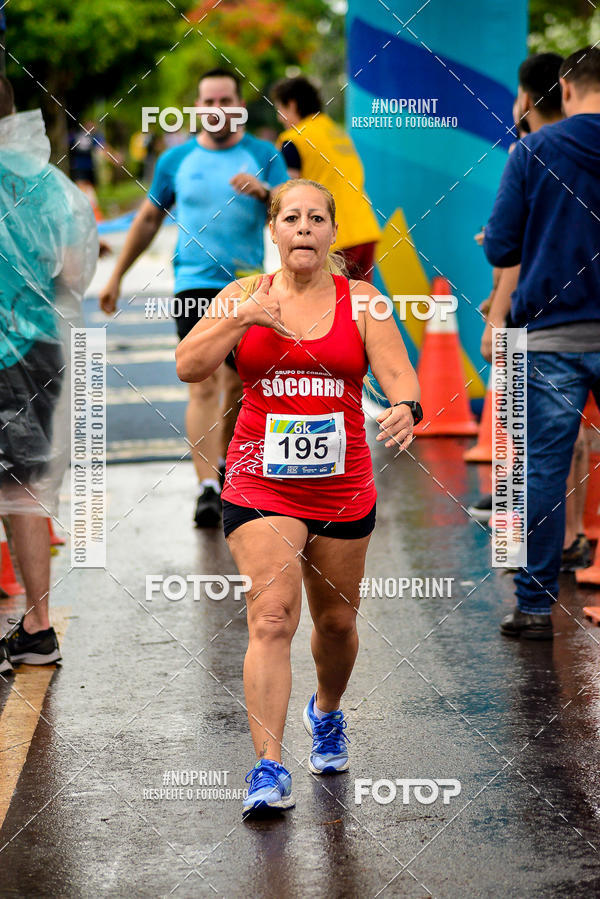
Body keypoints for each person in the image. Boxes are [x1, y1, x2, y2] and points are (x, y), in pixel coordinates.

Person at [176, 178, 421, 817]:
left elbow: (399, 374)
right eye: (292, 217)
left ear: (332, 233)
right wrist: (239, 318)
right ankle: (267, 766)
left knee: (336, 622)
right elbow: (189, 367)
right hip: (260, 478)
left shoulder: (364, 302)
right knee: (272, 614)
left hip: (341, 485)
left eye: (317, 218)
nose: (304, 227)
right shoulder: (243, 294)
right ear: (275, 231)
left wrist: (406, 407)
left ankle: (328, 712)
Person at [99, 69, 288, 528]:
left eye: (226, 100)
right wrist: (116, 277)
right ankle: (207, 488)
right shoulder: (176, 160)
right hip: (193, 284)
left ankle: (227, 466)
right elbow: (146, 219)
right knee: (202, 382)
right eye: (208, 102)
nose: (217, 109)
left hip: (246, 284)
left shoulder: (263, 155)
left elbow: (292, 208)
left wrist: (264, 192)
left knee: (237, 385)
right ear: (197, 109)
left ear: (239, 106)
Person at [484, 46, 600, 639]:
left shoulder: (534, 150)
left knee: (543, 472)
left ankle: (533, 609)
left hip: (552, 335)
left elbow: (502, 246)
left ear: (566, 88)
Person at [0, 77, 98, 673]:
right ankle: (38, 626)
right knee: (24, 487)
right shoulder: (49, 184)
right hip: (40, 345)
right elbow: (73, 269)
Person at [271, 76, 381, 282]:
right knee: (358, 307)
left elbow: (286, 194)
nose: (280, 118)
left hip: (332, 238)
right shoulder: (337, 133)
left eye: (280, 110)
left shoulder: (294, 140)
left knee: (324, 308)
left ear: (292, 105)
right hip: (365, 231)